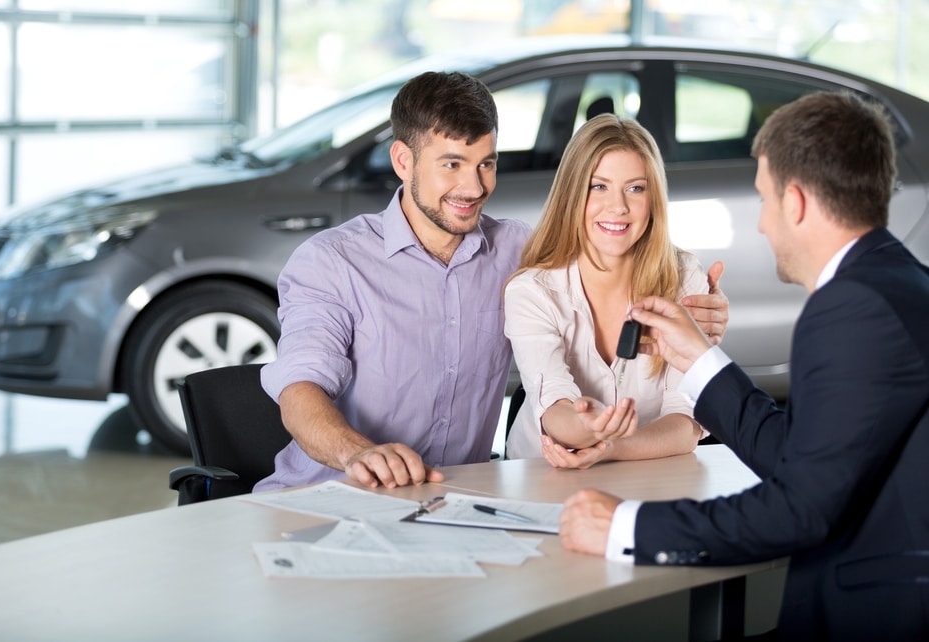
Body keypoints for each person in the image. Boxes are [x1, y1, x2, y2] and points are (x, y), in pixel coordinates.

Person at [559, 91, 929, 640]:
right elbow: (799, 454)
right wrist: (701, 358)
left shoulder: (852, 308)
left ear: (797, 202)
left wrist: (626, 525)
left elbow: (799, 508)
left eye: (763, 200)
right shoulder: (898, 280)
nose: (760, 225)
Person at [255, 71, 730, 492]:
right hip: (330, 494)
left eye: (487, 163)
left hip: (456, 502)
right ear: (403, 161)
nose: (475, 186)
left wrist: (706, 321)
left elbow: (605, 256)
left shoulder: (521, 254)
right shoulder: (332, 261)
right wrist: (356, 452)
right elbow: (300, 388)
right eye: (452, 164)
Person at [504, 114, 713, 465]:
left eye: (635, 188)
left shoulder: (684, 278)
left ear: (653, 199)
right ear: (573, 195)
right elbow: (554, 406)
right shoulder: (532, 291)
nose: (618, 207)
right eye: (598, 186)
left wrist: (609, 448)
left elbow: (687, 421)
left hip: (646, 471)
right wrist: (587, 425)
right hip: (545, 473)